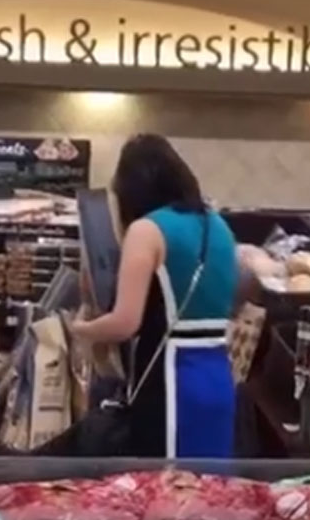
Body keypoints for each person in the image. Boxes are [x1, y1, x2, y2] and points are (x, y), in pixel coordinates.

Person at [72, 133, 239, 459]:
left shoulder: (147, 230)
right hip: (218, 376)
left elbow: (125, 322)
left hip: (171, 381)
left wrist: (82, 329)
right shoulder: (219, 226)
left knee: (164, 492)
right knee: (210, 492)